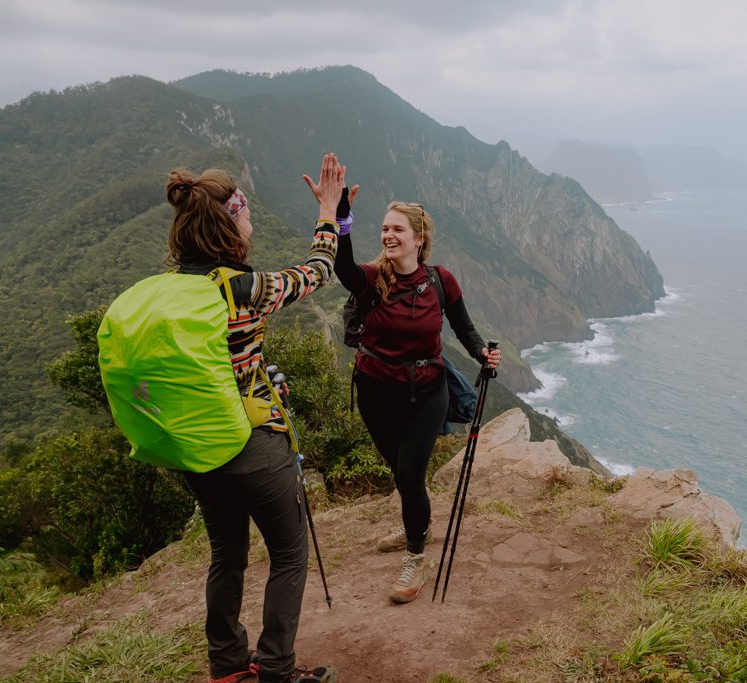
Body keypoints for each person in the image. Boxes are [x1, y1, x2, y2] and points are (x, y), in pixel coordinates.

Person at [166, 154, 345, 683]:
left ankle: (226, 664)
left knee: (227, 554)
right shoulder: (244, 289)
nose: (251, 219)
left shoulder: (173, 289)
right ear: (228, 224)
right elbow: (318, 271)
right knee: (289, 554)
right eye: (244, 212)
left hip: (196, 447)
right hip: (251, 445)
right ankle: (276, 670)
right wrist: (329, 212)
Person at [335, 199, 501, 604]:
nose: (388, 236)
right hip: (375, 393)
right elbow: (344, 269)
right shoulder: (373, 279)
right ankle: (419, 526)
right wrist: (341, 222)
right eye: (385, 229)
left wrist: (482, 352)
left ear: (418, 239)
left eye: (398, 230)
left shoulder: (441, 281)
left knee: (410, 474)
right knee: (400, 470)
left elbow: (463, 327)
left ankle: (415, 556)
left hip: (427, 392)